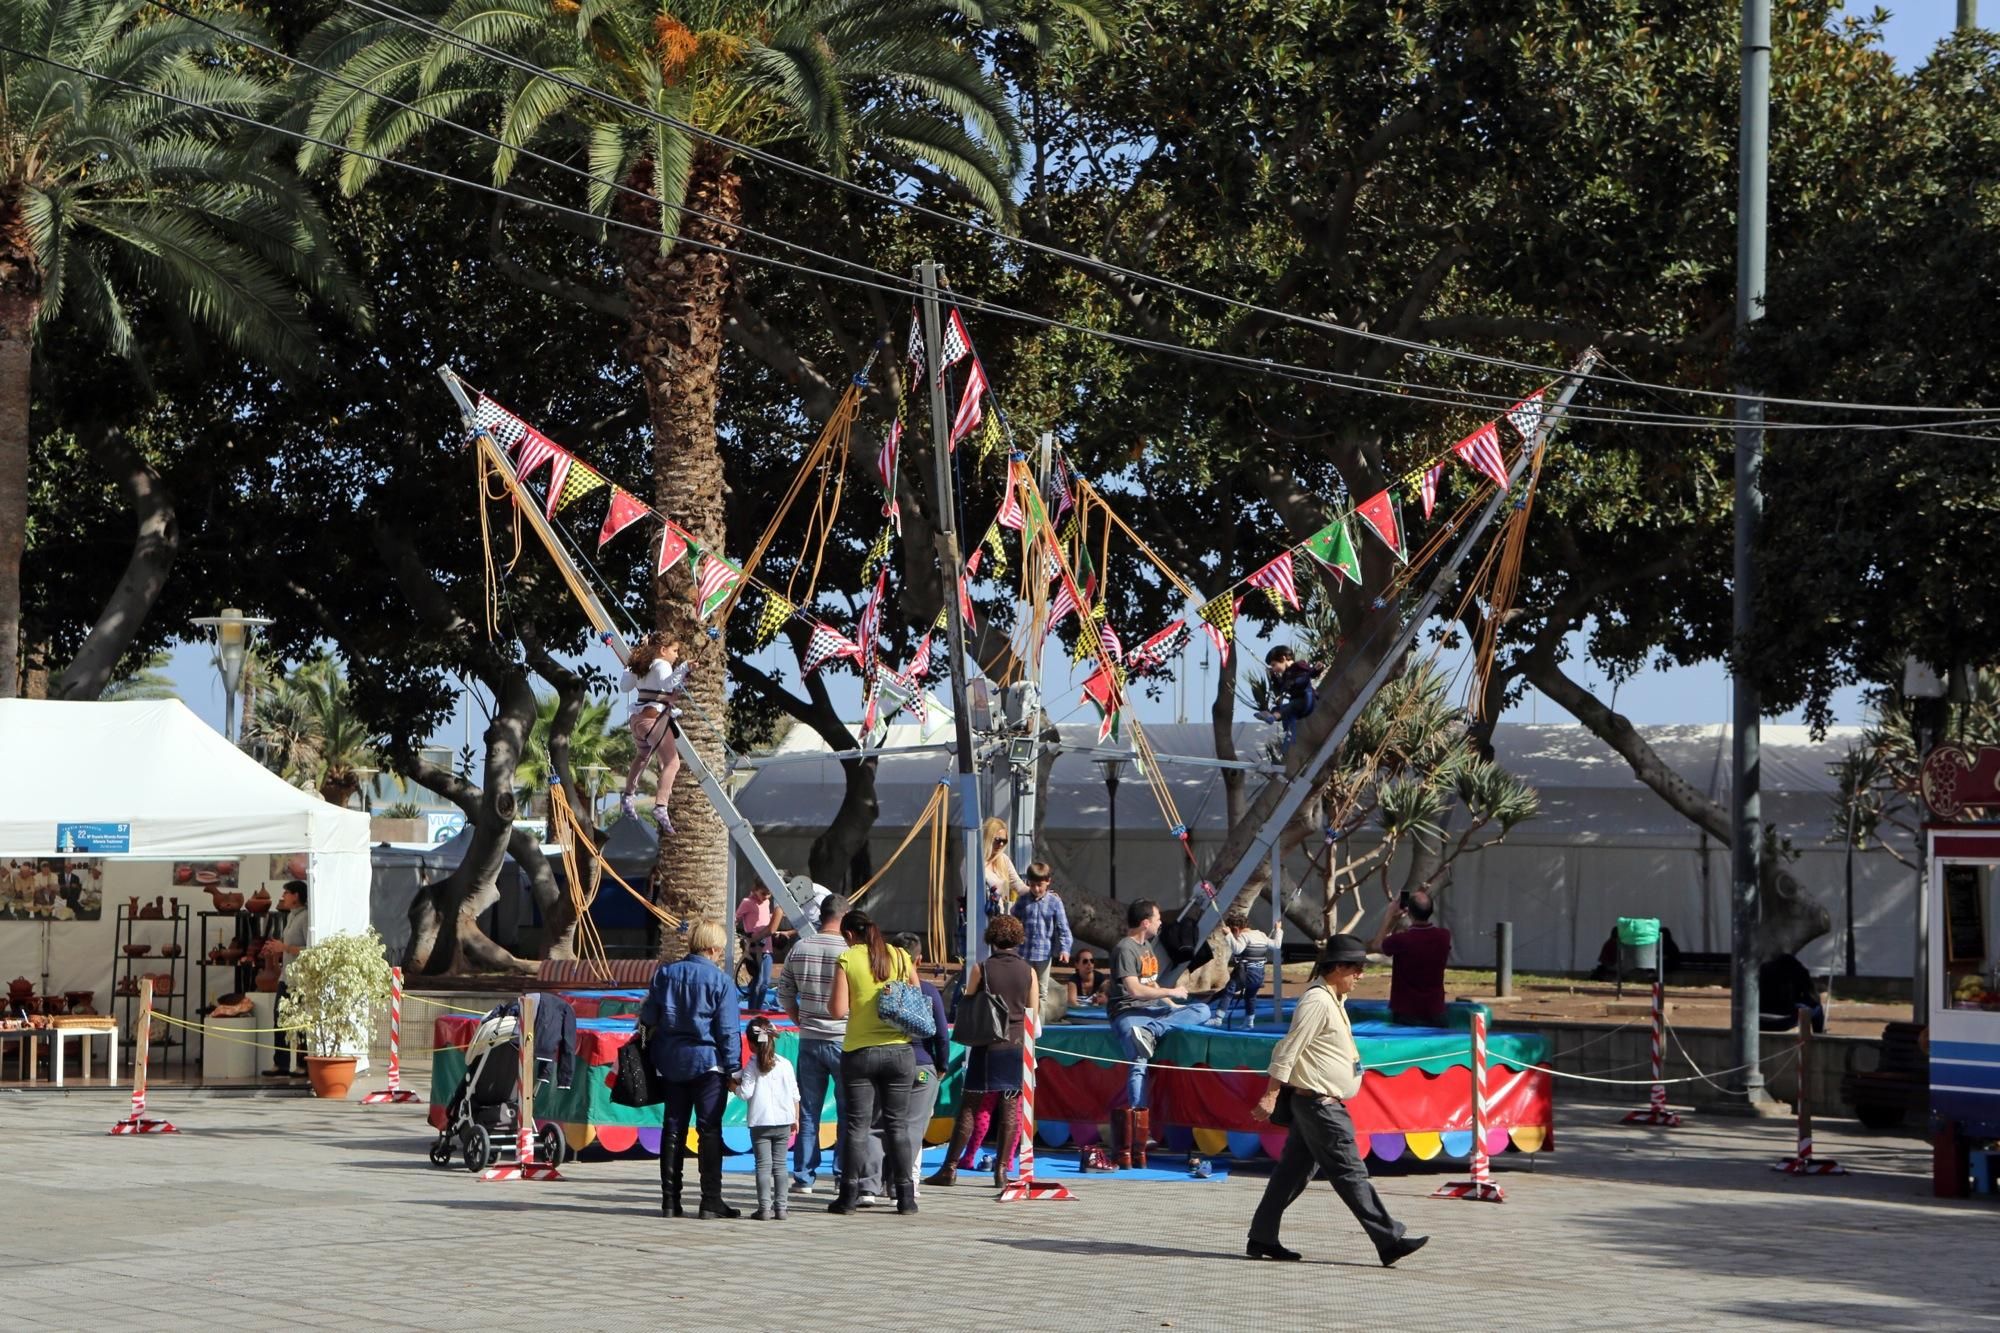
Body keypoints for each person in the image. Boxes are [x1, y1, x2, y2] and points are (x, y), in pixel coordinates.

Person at [1246, 934, 1427, 1267]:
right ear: (1337, 967)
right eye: (1356, 968)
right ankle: (1389, 1240)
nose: (1360, 975)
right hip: (1320, 1106)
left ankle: (1262, 1235)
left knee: (1292, 1173)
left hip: (1314, 1104)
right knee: (1350, 1171)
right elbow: (1288, 1048)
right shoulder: (1317, 1001)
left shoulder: (1332, 998)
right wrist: (1271, 1094)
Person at [639, 918, 743, 1219]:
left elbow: (649, 1015)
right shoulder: (721, 982)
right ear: (712, 948)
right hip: (708, 1063)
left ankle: (670, 1200)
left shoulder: (665, 974)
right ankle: (710, 1200)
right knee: (709, 1130)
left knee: (672, 1128)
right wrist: (734, 1069)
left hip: (671, 1061)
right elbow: (727, 1031)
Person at [929, 914, 1039, 1187]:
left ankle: (950, 1168)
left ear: (992, 939)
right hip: (1016, 1046)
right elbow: (1033, 1013)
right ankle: (1001, 1171)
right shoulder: (1030, 971)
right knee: (1010, 1107)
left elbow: (968, 1005)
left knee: (970, 1106)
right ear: (1017, 939)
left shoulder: (982, 968)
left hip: (987, 1045)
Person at [826, 908, 920, 1215]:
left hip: (860, 1052)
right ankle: (905, 1197)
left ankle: (848, 1197)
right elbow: (917, 998)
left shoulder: (849, 958)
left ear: (850, 935)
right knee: (898, 1126)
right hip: (900, 1052)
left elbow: (837, 1010)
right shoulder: (901, 956)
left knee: (857, 1126)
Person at [1108, 899, 1213, 1161]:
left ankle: (1153, 1030)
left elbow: (1152, 985)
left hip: (1153, 1014)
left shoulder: (1147, 948)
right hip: (1129, 1013)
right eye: (1156, 919)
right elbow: (1135, 990)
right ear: (1145, 922)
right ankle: (1139, 1132)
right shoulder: (1125, 949)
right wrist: (1171, 991)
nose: (1160, 923)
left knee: (1203, 1010)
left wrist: (1173, 1005)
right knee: (1138, 1061)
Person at [777, 892, 853, 1197]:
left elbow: (783, 993)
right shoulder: (850, 950)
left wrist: (799, 1020)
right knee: (849, 1110)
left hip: (809, 1038)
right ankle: (842, 1173)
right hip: (844, 1039)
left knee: (808, 1110)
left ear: (821, 916)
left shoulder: (801, 947)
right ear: (845, 917)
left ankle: (804, 1176)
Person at [891, 933, 951, 1197]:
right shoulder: (928, 991)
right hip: (922, 1065)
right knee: (914, 1127)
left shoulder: (885, 987)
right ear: (919, 959)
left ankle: (886, 1182)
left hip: (890, 1063)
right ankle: (908, 1182)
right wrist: (941, 1064)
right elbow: (941, 1034)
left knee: (890, 1124)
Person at [619, 631, 689, 833]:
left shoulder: (641, 666)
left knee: (642, 756)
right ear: (663, 650)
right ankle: (661, 806)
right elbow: (668, 684)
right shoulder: (662, 664)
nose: (677, 656)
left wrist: (629, 666)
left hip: (637, 721)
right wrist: (684, 668)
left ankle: (629, 795)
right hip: (653, 721)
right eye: (675, 651)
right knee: (672, 762)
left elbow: (625, 687)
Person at [734, 1016, 801, 1220]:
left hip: (760, 1122)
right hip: (783, 1120)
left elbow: (745, 1093)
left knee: (763, 1166)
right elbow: (794, 1094)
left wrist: (732, 1086)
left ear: (751, 1044)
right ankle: (781, 1208)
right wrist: (795, 1118)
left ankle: (764, 1209)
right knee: (780, 1166)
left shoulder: (752, 1066)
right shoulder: (785, 1064)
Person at [1368, 889, 1452, 1026]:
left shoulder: (1401, 940)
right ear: (1431, 911)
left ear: (1409, 912)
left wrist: (1390, 917)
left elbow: (1376, 945)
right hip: (1436, 1009)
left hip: (1406, 1012)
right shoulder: (1444, 936)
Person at [264, 881, 311, 1077]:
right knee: (280, 1019)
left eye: (287, 892)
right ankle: (281, 1063)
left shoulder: (307, 917)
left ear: (297, 895)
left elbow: (310, 949)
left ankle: (302, 1065)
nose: (283, 896)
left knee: (299, 1022)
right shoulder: (291, 916)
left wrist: (284, 948)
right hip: (286, 976)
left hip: (300, 979)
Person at [1011, 861, 1073, 989]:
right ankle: (1026, 1009)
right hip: (1024, 951)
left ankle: (1040, 1010)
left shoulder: (1054, 902)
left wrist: (1064, 949)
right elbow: (1013, 922)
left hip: (1043, 953)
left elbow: (1063, 928)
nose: (1036, 889)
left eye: (1039, 885)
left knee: (1041, 989)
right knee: (1024, 987)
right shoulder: (1023, 900)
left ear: (1048, 881)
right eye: (1032, 885)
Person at [1220, 909, 1280, 1029]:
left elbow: (1237, 949)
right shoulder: (1261, 935)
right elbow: (1276, 945)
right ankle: (1249, 1022)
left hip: (1246, 973)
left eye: (1233, 932)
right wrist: (1278, 930)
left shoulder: (1243, 936)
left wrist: (1228, 935)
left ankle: (1218, 1018)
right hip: (1258, 974)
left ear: (1236, 929)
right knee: (1250, 996)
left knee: (1229, 991)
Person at [1255, 646, 1319, 746]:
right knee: (1283, 710)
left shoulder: (1299, 665)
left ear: (1284, 659)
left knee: (1291, 706)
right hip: (1297, 702)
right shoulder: (1286, 676)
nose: (1273, 668)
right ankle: (1289, 734)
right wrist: (1273, 677)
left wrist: (1316, 669)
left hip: (1306, 699)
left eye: (1274, 665)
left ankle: (1273, 717)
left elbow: (1310, 673)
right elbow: (1281, 688)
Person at [1758, 953, 1827, 1034]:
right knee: (1817, 1008)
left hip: (1759, 1021)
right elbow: (1813, 997)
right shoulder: (1797, 970)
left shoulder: (1762, 970)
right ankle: (1819, 1036)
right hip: (1783, 1021)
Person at [735, 882, 778, 1010]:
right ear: (755, 890)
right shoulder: (747, 902)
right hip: (755, 947)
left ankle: (757, 1008)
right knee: (758, 980)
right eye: (763, 893)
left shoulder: (766, 902)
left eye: (768, 894)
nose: (766, 897)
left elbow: (765, 919)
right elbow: (736, 917)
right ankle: (753, 1009)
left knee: (765, 982)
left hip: (767, 946)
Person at [983, 817, 1027, 916]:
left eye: (1004, 841)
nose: (1001, 844)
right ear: (988, 838)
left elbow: (1020, 887)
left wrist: (1044, 893)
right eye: (998, 840)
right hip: (977, 918)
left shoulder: (1004, 860)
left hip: (997, 917)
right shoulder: (975, 861)